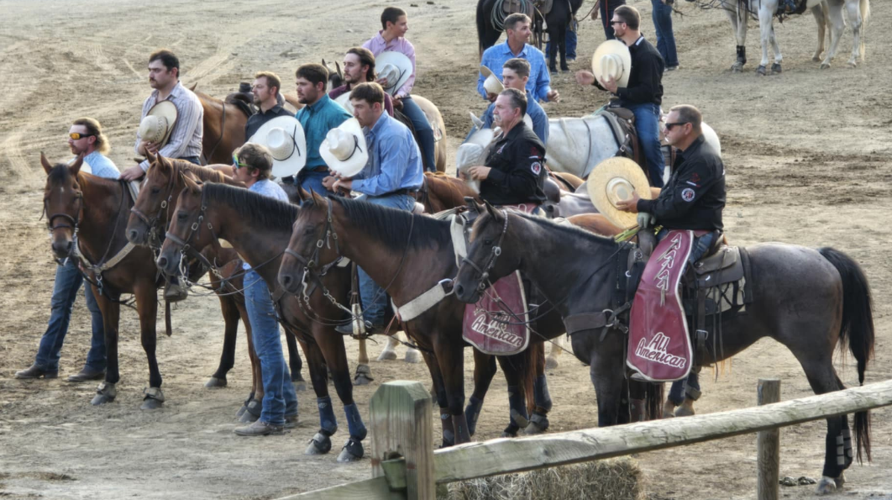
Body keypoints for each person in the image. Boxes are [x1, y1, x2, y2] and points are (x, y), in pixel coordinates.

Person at [615, 104, 726, 417]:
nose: (664, 131)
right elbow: (670, 197)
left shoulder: (702, 160)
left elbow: (676, 206)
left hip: (697, 231)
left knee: (660, 283)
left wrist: (642, 205)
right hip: (681, 227)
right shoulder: (687, 155)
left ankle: (677, 347)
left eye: (670, 126)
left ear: (686, 128)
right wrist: (649, 206)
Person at [15, 119, 118, 382]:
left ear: (91, 139)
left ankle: (97, 363)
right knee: (60, 302)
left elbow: (112, 214)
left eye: (75, 135)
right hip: (73, 248)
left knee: (96, 306)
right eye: (69, 135)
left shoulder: (104, 169)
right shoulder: (70, 170)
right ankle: (46, 362)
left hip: (93, 253)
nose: (69, 140)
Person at [328, 82, 423, 334]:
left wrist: (351, 182)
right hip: (380, 197)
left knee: (364, 242)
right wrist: (344, 175)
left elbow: (389, 181)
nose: (354, 112)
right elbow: (370, 173)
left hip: (398, 198)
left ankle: (371, 316)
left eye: (359, 107)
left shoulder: (393, 134)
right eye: (353, 106)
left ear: (377, 106)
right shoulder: (367, 132)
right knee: (332, 216)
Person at [228, 143, 299, 436]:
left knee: (266, 346)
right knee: (269, 345)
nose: (233, 167)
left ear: (253, 171)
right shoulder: (274, 191)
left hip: (258, 276)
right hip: (272, 276)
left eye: (237, 163)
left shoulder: (257, 198)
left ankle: (272, 416)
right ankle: (289, 406)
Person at [575, 6, 666, 187]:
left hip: (645, 106)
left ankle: (659, 187)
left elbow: (647, 92)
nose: (611, 26)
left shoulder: (649, 55)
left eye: (614, 23)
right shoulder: (622, 50)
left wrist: (617, 91)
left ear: (624, 26)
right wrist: (594, 81)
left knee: (649, 142)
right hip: (623, 102)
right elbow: (619, 83)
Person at [362, 7, 437, 173]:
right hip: (371, 97)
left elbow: (410, 76)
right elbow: (361, 75)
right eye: (403, 24)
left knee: (424, 127)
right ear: (389, 24)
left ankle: (432, 168)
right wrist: (375, 87)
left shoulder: (407, 47)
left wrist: (399, 95)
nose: (406, 27)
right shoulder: (368, 47)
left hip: (400, 97)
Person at [121, 49, 203, 181]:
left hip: (184, 165)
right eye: (150, 70)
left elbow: (178, 146)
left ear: (173, 72)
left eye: (157, 70)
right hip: (153, 163)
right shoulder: (149, 101)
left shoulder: (188, 101)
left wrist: (142, 168)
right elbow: (140, 137)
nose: (151, 75)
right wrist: (141, 148)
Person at [461, 88, 547, 206]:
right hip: (493, 205)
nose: (494, 112)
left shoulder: (526, 142)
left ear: (516, 112)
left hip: (514, 211)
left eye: (500, 107)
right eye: (495, 106)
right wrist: (472, 173)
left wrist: (490, 173)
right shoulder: (501, 136)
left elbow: (527, 186)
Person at [295, 63, 352, 197]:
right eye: (297, 84)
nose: (298, 89)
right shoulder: (300, 114)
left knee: (309, 211)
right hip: (302, 174)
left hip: (324, 176)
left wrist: (339, 179)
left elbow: (355, 152)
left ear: (319, 86)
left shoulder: (337, 114)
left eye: (303, 84)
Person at [478, 13, 559, 104]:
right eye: (524, 28)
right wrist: (487, 93)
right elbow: (482, 82)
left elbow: (542, 84)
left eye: (529, 28)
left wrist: (548, 94)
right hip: (501, 110)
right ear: (510, 32)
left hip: (530, 110)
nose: (529, 32)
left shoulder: (538, 55)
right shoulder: (490, 54)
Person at [465, 58, 549, 144]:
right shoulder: (494, 107)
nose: (505, 82)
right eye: (503, 77)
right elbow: (482, 141)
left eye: (510, 78)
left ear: (524, 79)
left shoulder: (537, 114)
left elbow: (539, 150)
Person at [329, 47, 395, 117]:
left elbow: (388, 125)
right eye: (345, 64)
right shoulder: (334, 95)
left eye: (351, 65)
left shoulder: (383, 97)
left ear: (365, 68)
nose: (345, 69)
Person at [245, 71, 293, 140]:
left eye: (259, 87)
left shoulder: (289, 119)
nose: (253, 90)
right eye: (253, 87)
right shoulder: (251, 121)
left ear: (272, 90)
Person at [652, 0, 679, 71]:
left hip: (660, 5)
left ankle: (666, 63)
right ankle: (669, 62)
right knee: (663, 34)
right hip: (659, 5)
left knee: (663, 35)